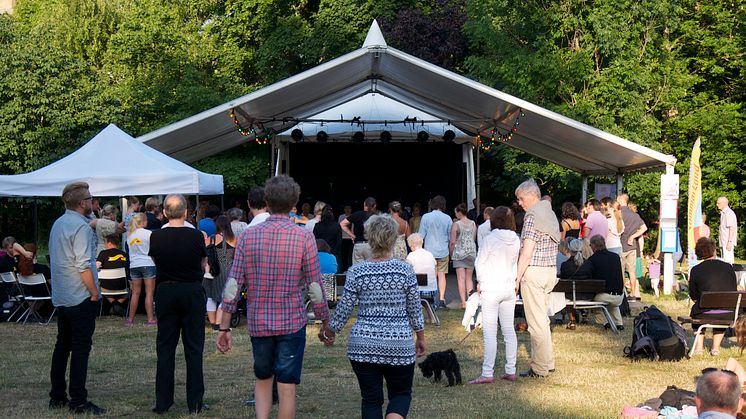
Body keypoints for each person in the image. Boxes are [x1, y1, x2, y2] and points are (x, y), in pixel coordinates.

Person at [217, 175, 330, 419]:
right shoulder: (304, 236)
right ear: (294, 203)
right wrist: (325, 320)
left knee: (263, 378)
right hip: (291, 320)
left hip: (259, 322)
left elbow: (233, 284)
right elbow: (314, 284)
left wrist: (224, 326)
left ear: (266, 201)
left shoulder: (248, 236)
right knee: (287, 386)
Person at [320, 214, 426, 419]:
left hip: (363, 345)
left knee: (370, 399)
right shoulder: (405, 270)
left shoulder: (357, 271)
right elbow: (414, 308)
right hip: (399, 344)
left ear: (368, 237)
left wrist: (329, 330)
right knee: (401, 394)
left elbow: (344, 309)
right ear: (394, 238)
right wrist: (420, 337)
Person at [48, 182, 106, 415]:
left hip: (63, 295)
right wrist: (94, 292)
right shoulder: (81, 228)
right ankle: (78, 400)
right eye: (91, 199)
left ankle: (58, 395)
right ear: (82, 203)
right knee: (81, 348)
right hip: (80, 295)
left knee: (62, 346)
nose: (93, 203)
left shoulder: (58, 223)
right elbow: (83, 264)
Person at [149, 194, 208, 414]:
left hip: (166, 290)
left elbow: (157, 262)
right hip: (191, 291)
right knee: (194, 348)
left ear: (164, 212)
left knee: (165, 347)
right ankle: (195, 402)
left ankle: (163, 401)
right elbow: (202, 263)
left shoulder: (156, 237)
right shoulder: (196, 236)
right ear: (185, 212)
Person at [515, 178, 560, 378]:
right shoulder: (550, 214)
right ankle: (547, 362)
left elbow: (527, 251)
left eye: (521, 198)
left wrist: (516, 277)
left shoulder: (532, 216)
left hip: (534, 272)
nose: (520, 203)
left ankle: (539, 368)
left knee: (536, 323)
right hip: (550, 271)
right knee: (543, 320)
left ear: (532, 195)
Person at [470, 206, 520, 384]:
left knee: (490, 332)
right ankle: (510, 369)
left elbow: (480, 262)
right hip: (509, 287)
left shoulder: (490, 239)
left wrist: (480, 282)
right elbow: (515, 263)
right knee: (508, 329)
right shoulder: (516, 239)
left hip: (491, 287)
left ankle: (487, 372)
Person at [689, 237, 738, 356]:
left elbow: (693, 296)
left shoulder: (696, 270)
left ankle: (699, 348)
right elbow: (733, 289)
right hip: (727, 312)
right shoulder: (728, 267)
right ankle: (715, 348)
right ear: (714, 250)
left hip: (704, 312)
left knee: (697, 310)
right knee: (720, 313)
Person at [573, 235, 625, 330]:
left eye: (590, 245)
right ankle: (619, 324)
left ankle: (605, 323)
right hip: (619, 296)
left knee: (595, 303)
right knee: (612, 305)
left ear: (594, 246)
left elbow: (584, 275)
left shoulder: (593, 259)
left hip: (604, 296)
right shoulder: (615, 257)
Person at [419, 195, 453, 309]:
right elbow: (450, 237)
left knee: (431, 275)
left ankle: (430, 298)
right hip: (443, 250)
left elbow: (421, 235)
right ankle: (442, 299)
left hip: (429, 251)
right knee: (442, 275)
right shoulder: (448, 218)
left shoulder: (426, 217)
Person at [204, 215, 236, 331]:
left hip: (211, 271)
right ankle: (218, 322)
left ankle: (213, 322)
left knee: (211, 297)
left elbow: (205, 255)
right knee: (225, 297)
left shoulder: (210, 239)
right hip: (226, 270)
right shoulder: (233, 239)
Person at [126, 213, 157, 326]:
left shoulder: (129, 235)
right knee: (149, 293)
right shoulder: (149, 234)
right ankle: (150, 319)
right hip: (148, 263)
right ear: (143, 221)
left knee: (135, 292)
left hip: (134, 264)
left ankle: (130, 319)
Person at [617, 193, 647, 300]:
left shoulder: (619, 214)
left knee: (620, 272)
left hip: (621, 246)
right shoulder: (635, 215)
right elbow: (644, 228)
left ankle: (621, 293)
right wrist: (633, 236)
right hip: (632, 247)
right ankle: (633, 294)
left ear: (620, 201)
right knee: (632, 272)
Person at [450, 203, 477, 308]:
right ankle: (470, 300)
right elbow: (473, 238)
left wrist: (451, 253)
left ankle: (463, 302)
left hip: (459, 253)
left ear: (458, 212)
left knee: (461, 278)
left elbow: (452, 242)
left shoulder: (456, 224)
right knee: (469, 278)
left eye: (455, 212)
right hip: (471, 252)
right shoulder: (473, 224)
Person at [95, 234, 129, 314]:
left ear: (109, 243)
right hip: (122, 286)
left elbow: (96, 266)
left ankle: (114, 304)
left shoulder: (103, 253)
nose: (105, 245)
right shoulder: (124, 254)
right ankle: (117, 305)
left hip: (106, 287)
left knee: (101, 287)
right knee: (132, 289)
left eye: (105, 243)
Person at [340, 197, 378, 265]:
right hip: (371, 246)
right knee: (371, 268)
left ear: (364, 204)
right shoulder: (376, 217)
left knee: (357, 270)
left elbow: (342, 224)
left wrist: (352, 235)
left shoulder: (357, 214)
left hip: (358, 245)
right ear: (374, 206)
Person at [405, 233, 437, 300]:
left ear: (412, 245)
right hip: (432, 289)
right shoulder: (430, 254)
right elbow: (435, 271)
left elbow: (406, 272)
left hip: (417, 290)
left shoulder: (411, 256)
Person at [717, 197, 738, 264]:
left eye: (718, 203)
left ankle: (730, 274)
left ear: (724, 203)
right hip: (724, 242)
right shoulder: (723, 213)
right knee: (724, 261)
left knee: (728, 262)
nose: (717, 204)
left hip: (727, 242)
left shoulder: (729, 213)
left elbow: (731, 228)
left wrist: (729, 242)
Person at [339, 204, 354, 272]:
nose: (347, 210)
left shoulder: (353, 216)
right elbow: (339, 228)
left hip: (351, 239)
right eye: (346, 208)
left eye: (349, 208)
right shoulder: (341, 217)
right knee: (344, 256)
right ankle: (344, 270)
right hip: (343, 238)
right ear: (344, 209)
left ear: (351, 209)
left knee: (351, 256)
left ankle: (351, 270)